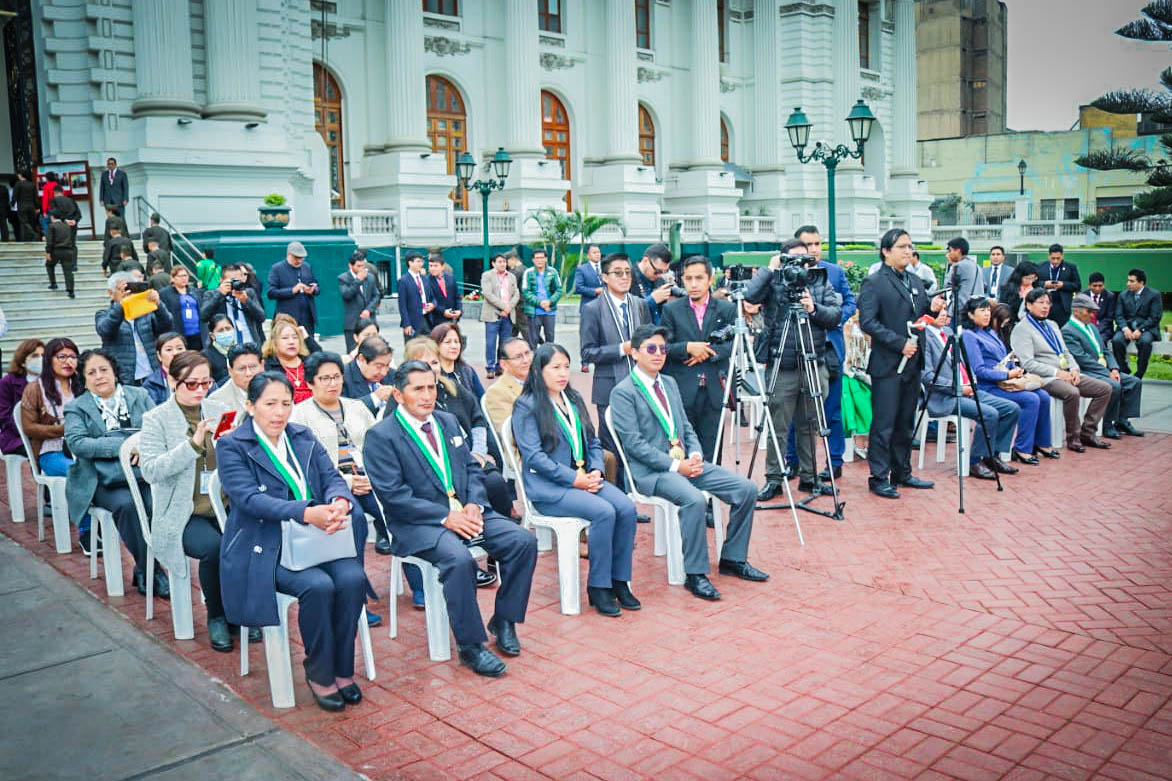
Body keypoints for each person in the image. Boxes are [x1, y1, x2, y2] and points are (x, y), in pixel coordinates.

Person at [364, 361, 538, 677]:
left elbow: (472, 469)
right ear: (400, 395)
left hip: (466, 512)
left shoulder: (447, 421)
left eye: (432, 387)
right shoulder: (382, 436)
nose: (427, 395)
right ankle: (471, 647)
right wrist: (447, 517)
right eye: (418, 389)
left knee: (522, 540)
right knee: (458, 560)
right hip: (419, 524)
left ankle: (504, 620)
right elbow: (394, 496)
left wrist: (473, 504)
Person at [217, 371, 369, 711]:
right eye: (270, 404)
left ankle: (343, 668)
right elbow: (249, 500)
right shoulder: (232, 445)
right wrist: (305, 511)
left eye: (286, 403)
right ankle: (319, 671)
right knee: (317, 586)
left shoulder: (302, 436)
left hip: (314, 538)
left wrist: (339, 501)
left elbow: (332, 478)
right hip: (263, 545)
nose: (279, 413)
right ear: (250, 406)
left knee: (353, 578)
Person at [609, 325, 767, 601]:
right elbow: (634, 445)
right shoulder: (623, 392)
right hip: (651, 472)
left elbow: (685, 426)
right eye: (650, 349)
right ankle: (695, 574)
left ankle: (733, 558)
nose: (658, 354)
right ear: (634, 354)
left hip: (686, 463)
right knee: (694, 499)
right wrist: (675, 467)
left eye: (662, 348)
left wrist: (695, 455)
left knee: (746, 489)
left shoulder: (668, 382)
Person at [512, 344, 639, 616]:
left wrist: (595, 471)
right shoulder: (527, 405)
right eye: (555, 368)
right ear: (538, 370)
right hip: (550, 490)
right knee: (604, 512)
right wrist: (575, 480)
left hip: (584, 479)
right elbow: (534, 457)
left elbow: (593, 441)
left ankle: (619, 580)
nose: (562, 374)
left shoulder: (573, 398)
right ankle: (599, 586)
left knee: (626, 508)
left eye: (565, 367)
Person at [138, 351, 233, 651]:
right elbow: (151, 470)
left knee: (253, 539)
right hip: (182, 511)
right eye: (191, 384)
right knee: (214, 549)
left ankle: (240, 610)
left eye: (206, 382)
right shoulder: (156, 419)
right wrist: (192, 444)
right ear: (171, 381)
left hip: (223, 505)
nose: (200, 390)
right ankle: (217, 616)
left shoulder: (218, 408)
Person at [857, 228, 947, 499]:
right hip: (888, 364)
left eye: (910, 246)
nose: (908, 251)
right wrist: (898, 343)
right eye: (902, 247)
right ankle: (879, 477)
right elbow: (868, 322)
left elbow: (918, 315)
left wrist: (933, 313)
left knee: (906, 421)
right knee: (884, 423)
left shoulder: (915, 281)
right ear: (886, 251)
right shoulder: (874, 282)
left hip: (913, 363)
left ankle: (902, 471)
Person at [64, 349, 163, 597]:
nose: (99, 377)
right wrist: (123, 446)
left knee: (155, 503)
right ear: (84, 379)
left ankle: (149, 566)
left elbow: (157, 428)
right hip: (101, 480)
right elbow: (77, 443)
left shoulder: (139, 395)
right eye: (91, 373)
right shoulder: (77, 407)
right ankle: (150, 569)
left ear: (115, 371)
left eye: (104, 370)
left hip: (142, 473)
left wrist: (143, 445)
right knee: (128, 506)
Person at [748, 240, 842, 498]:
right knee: (777, 424)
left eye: (805, 259)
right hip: (782, 362)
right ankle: (774, 478)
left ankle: (810, 478)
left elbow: (835, 315)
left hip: (813, 360)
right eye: (793, 259)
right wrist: (770, 269)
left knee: (809, 424)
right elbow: (750, 295)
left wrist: (814, 308)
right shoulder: (774, 280)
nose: (800, 265)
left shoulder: (820, 280)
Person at [402, 337, 513, 528]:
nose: (431, 369)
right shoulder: (405, 399)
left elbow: (477, 418)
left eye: (435, 362)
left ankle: (497, 533)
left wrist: (478, 452)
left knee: (495, 482)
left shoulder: (452, 387)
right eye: (423, 364)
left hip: (467, 459)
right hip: (434, 469)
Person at [291, 352, 392, 556]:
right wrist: (347, 482)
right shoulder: (299, 416)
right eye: (325, 378)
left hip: (367, 479)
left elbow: (378, 446)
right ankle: (356, 580)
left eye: (336, 377)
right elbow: (306, 466)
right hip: (332, 485)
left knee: (396, 510)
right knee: (355, 520)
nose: (332, 383)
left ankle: (415, 580)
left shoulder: (356, 407)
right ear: (310, 383)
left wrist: (373, 476)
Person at [919, 313, 1020, 480]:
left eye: (946, 309)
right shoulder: (924, 336)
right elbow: (928, 376)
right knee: (989, 413)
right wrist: (958, 388)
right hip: (946, 396)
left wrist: (971, 381)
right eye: (940, 310)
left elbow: (964, 363)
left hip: (970, 390)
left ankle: (991, 455)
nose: (945, 313)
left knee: (1011, 409)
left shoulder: (949, 333)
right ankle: (974, 461)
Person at [792, 225, 858, 481]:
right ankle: (793, 462)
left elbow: (851, 303)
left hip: (830, 350)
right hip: (797, 350)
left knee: (831, 413)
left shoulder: (834, 272)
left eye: (818, 244)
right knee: (796, 411)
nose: (814, 250)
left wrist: (834, 318)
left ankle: (834, 462)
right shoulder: (788, 273)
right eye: (809, 245)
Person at [1010, 288, 1113, 452]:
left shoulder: (1052, 324)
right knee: (1072, 393)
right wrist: (1057, 373)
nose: (1045, 306)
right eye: (1041, 303)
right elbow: (1028, 363)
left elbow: (1065, 352)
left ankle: (1088, 432)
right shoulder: (1022, 329)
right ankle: (1073, 437)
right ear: (1029, 305)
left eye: (1048, 303)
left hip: (1065, 371)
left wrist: (1074, 369)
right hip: (1044, 377)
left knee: (1105, 388)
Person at [659, 256, 735, 463]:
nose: (693, 284)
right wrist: (688, 348)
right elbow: (664, 347)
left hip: (714, 387)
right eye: (688, 278)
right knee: (682, 448)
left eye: (699, 278)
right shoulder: (671, 310)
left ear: (710, 279)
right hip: (683, 390)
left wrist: (706, 352)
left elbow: (733, 344)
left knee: (712, 448)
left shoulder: (726, 309)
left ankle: (710, 494)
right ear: (681, 280)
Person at [961, 300, 1056, 464]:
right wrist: (1008, 376)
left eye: (988, 310)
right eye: (981, 311)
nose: (986, 314)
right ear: (970, 314)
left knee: (1043, 396)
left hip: (1005, 382)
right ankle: (1022, 449)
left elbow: (1004, 358)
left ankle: (1041, 443)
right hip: (988, 386)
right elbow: (978, 371)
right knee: (1031, 399)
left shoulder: (990, 332)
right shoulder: (970, 336)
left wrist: (1015, 370)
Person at [579, 252, 650, 466]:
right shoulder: (592, 309)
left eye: (628, 272)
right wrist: (622, 349)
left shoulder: (639, 304)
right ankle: (615, 492)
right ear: (605, 277)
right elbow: (587, 353)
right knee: (613, 446)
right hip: (609, 385)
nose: (624, 277)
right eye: (617, 273)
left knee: (640, 439)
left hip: (640, 383)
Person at [20, 339, 90, 548]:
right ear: (49, 360)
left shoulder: (83, 385)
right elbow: (29, 427)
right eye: (61, 357)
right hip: (51, 452)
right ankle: (87, 532)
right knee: (78, 473)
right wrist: (64, 430)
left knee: (102, 471)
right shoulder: (35, 389)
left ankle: (104, 526)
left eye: (72, 356)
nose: (68, 361)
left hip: (83, 449)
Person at [1064, 294, 1144, 439]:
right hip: (1088, 371)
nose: (1092, 314)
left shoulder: (1092, 328)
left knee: (1134, 382)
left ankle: (1122, 420)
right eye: (1088, 311)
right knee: (1114, 385)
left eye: (1093, 311)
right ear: (1076, 311)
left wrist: (1114, 368)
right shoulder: (1068, 330)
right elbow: (1082, 359)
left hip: (1104, 369)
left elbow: (1105, 350)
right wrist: (1107, 372)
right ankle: (1108, 424)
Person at [95, 272, 175, 386]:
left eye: (130, 289)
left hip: (152, 373)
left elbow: (167, 326)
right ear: (110, 293)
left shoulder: (145, 311)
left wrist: (158, 305)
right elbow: (105, 330)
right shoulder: (103, 314)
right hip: (124, 376)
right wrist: (121, 306)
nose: (128, 294)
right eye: (123, 290)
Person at [1111, 268, 1163, 379]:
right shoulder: (1123, 295)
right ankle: (1124, 370)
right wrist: (1125, 328)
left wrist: (1141, 330)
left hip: (1147, 328)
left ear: (1141, 283)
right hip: (1127, 327)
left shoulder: (1154, 295)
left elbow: (1155, 317)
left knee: (1144, 342)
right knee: (1116, 340)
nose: (1128, 283)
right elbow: (1119, 315)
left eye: (1132, 281)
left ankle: (1139, 373)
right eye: (1128, 280)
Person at [200, 263, 266, 347]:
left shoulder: (249, 293)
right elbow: (203, 316)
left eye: (237, 280)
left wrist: (246, 301)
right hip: (225, 346)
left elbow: (261, 317)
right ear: (221, 280)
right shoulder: (211, 294)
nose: (235, 284)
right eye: (231, 281)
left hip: (250, 344)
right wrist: (220, 294)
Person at [267, 241, 320, 340]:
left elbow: (316, 286)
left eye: (302, 258)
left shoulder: (306, 267)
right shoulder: (277, 268)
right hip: (287, 317)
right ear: (288, 255)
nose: (299, 261)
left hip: (307, 317)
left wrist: (313, 290)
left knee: (309, 347)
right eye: (296, 258)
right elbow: (271, 292)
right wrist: (292, 290)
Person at [483, 338, 533, 439]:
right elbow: (510, 435)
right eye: (518, 357)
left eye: (528, 353)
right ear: (504, 364)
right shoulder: (497, 392)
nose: (526, 360)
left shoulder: (543, 379)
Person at [0, 340, 43, 456]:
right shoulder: (7, 382)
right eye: (35, 356)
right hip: (16, 438)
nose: (40, 360)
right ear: (23, 361)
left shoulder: (49, 381)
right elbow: (5, 417)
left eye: (43, 356)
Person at [480, 253, 519, 379]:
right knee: (491, 342)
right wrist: (504, 306)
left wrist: (509, 307)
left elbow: (516, 294)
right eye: (499, 262)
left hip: (508, 315)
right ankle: (490, 367)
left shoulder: (511, 276)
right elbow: (488, 294)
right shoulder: (487, 276)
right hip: (492, 314)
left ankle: (500, 366)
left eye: (504, 262)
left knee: (504, 343)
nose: (502, 264)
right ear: (493, 263)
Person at [338, 250, 382, 352]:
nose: (361, 268)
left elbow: (376, 295)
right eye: (358, 266)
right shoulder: (343, 278)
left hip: (369, 321)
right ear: (350, 265)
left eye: (363, 265)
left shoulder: (370, 277)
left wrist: (368, 310)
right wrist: (358, 280)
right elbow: (347, 295)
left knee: (373, 351)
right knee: (353, 352)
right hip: (352, 323)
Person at [263, 313, 313, 403]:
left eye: (295, 337)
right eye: (285, 338)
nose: (291, 342)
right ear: (274, 342)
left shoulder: (309, 362)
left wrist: (307, 338)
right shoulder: (267, 365)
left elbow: (323, 359)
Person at [341, 334, 394, 417]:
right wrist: (374, 398)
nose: (384, 372)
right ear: (362, 359)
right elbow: (343, 412)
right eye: (379, 366)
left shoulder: (393, 374)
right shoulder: (342, 379)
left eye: (387, 365)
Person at [205, 343, 262, 417]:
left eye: (253, 367)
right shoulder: (217, 401)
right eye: (241, 369)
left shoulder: (275, 388)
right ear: (230, 371)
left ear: (262, 366)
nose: (248, 373)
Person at [431, 322, 485, 399]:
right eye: (448, 342)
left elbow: (482, 399)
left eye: (456, 341)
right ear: (436, 345)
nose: (454, 346)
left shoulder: (467, 371)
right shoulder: (432, 373)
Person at [159, 266, 205, 350]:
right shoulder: (164, 293)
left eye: (185, 276)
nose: (183, 278)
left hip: (197, 333)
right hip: (178, 333)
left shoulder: (194, 291)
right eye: (180, 276)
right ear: (173, 278)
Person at [521, 249, 560, 347]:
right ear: (533, 260)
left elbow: (559, 290)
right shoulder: (528, 272)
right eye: (537, 258)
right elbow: (526, 291)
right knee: (533, 340)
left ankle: (549, 361)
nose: (539, 260)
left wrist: (550, 302)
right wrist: (540, 303)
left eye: (542, 257)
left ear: (546, 259)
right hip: (534, 311)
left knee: (550, 341)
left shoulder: (553, 272)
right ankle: (534, 361)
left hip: (549, 311)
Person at [631, 243, 676, 324]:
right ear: (645, 261)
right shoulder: (628, 278)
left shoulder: (660, 280)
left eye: (664, 272)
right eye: (657, 271)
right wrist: (651, 300)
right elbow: (626, 311)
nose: (660, 275)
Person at [142, 333, 187, 405]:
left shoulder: (199, 374)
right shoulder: (151, 383)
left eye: (180, 348)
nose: (175, 353)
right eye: (169, 350)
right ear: (159, 355)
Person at [1042, 244, 1081, 327]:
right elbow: (1035, 283)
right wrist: (1044, 284)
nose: (1056, 261)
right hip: (1045, 304)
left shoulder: (1070, 267)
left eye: (1058, 258)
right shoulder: (1041, 267)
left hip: (1063, 306)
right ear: (1049, 256)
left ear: (1062, 256)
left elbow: (1077, 285)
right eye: (1053, 258)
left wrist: (1063, 285)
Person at [397, 251, 432, 340]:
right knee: (413, 348)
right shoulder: (403, 281)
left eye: (422, 261)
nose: (421, 264)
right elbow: (402, 305)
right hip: (413, 321)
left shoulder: (425, 279)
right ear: (410, 263)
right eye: (418, 261)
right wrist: (406, 324)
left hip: (427, 319)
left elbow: (432, 297)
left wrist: (432, 304)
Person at [44, 209, 77, 298]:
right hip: (68, 250)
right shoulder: (67, 226)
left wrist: (48, 252)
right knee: (68, 271)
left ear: (52, 216)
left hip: (56, 250)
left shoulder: (51, 226)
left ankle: (53, 283)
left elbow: (49, 241)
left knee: (49, 265)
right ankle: (71, 291)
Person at [425, 252, 462, 329]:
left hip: (452, 319)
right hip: (435, 321)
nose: (432, 268)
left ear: (443, 266)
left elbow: (457, 297)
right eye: (430, 266)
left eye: (435, 266)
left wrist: (459, 310)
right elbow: (429, 301)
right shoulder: (426, 281)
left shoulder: (450, 278)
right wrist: (443, 312)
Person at [945, 237, 984, 304]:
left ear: (958, 251)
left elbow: (947, 286)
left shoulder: (958, 266)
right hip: (976, 308)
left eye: (950, 251)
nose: (948, 254)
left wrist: (951, 264)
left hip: (960, 308)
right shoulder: (976, 266)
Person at [203, 315, 237, 385]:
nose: (225, 332)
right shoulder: (206, 356)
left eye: (228, 329)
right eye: (220, 330)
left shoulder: (241, 351)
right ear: (212, 336)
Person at [1086, 272, 1117, 342]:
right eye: (1094, 286)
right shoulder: (1083, 296)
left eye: (1100, 286)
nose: (1097, 288)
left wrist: (1096, 329)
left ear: (1104, 285)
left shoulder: (1110, 296)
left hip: (1103, 330)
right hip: (1086, 328)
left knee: (1099, 340)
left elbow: (1109, 317)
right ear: (1089, 285)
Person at [506, 252, 528, 340]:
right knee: (514, 329)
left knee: (524, 329)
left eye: (507, 261)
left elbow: (510, 289)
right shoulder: (526, 269)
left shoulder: (516, 272)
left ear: (513, 259)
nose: (506, 264)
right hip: (524, 304)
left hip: (518, 305)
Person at [13, 169, 38, 241]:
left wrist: (13, 203)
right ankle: (30, 239)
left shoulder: (18, 184)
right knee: (30, 222)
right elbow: (35, 197)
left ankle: (32, 234)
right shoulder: (32, 184)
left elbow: (15, 196)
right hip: (31, 206)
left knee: (23, 222)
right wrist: (37, 207)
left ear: (20, 175)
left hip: (22, 206)